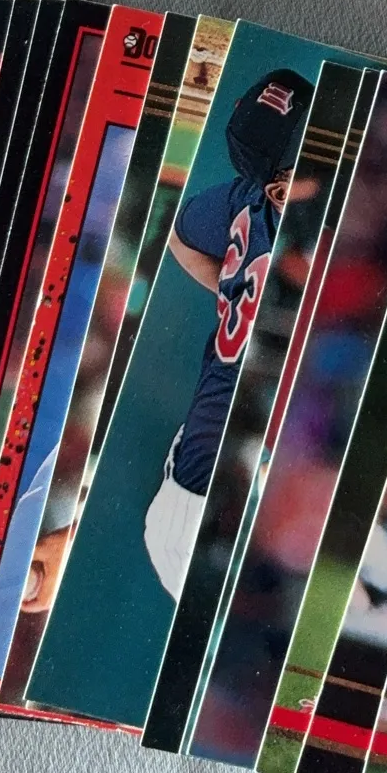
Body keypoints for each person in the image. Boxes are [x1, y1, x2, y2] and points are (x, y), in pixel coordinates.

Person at [142, 67, 316, 600]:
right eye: (308, 152)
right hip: (212, 493)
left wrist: (230, 290)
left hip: (207, 462)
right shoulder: (305, 220)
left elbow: (180, 237)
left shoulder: (242, 196)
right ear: (281, 185)